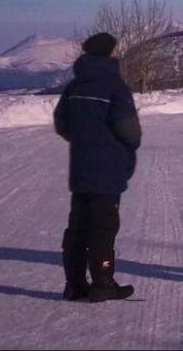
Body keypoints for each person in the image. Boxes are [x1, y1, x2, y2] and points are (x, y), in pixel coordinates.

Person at [53, 31, 142, 302]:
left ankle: (75, 285)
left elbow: (62, 123)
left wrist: (83, 141)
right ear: (108, 52)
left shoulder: (74, 86)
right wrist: (123, 149)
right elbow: (129, 130)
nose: (117, 53)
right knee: (103, 228)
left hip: (81, 170)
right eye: (115, 49)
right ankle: (103, 284)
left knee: (78, 227)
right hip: (107, 170)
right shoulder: (114, 86)